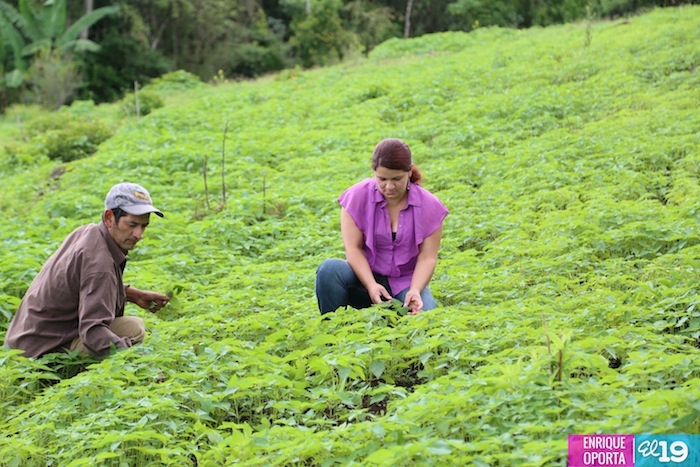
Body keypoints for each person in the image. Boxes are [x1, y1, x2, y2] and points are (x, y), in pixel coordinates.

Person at [3, 182, 170, 358]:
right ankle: (55, 378)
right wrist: (136, 360)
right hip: (39, 354)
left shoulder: (89, 233)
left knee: (127, 327)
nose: (138, 234)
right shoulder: (100, 265)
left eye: (144, 226)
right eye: (132, 224)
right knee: (133, 329)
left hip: (22, 343)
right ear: (109, 218)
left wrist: (134, 295)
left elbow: (82, 283)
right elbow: (93, 331)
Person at [315, 138, 448, 315]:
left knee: (427, 319)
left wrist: (415, 290)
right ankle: (332, 333)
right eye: (382, 179)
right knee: (330, 270)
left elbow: (427, 258)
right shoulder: (357, 197)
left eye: (397, 179)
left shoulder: (429, 206)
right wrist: (371, 285)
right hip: (363, 278)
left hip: (405, 283)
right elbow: (353, 249)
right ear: (374, 172)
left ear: (409, 172)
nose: (389, 186)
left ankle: (395, 318)